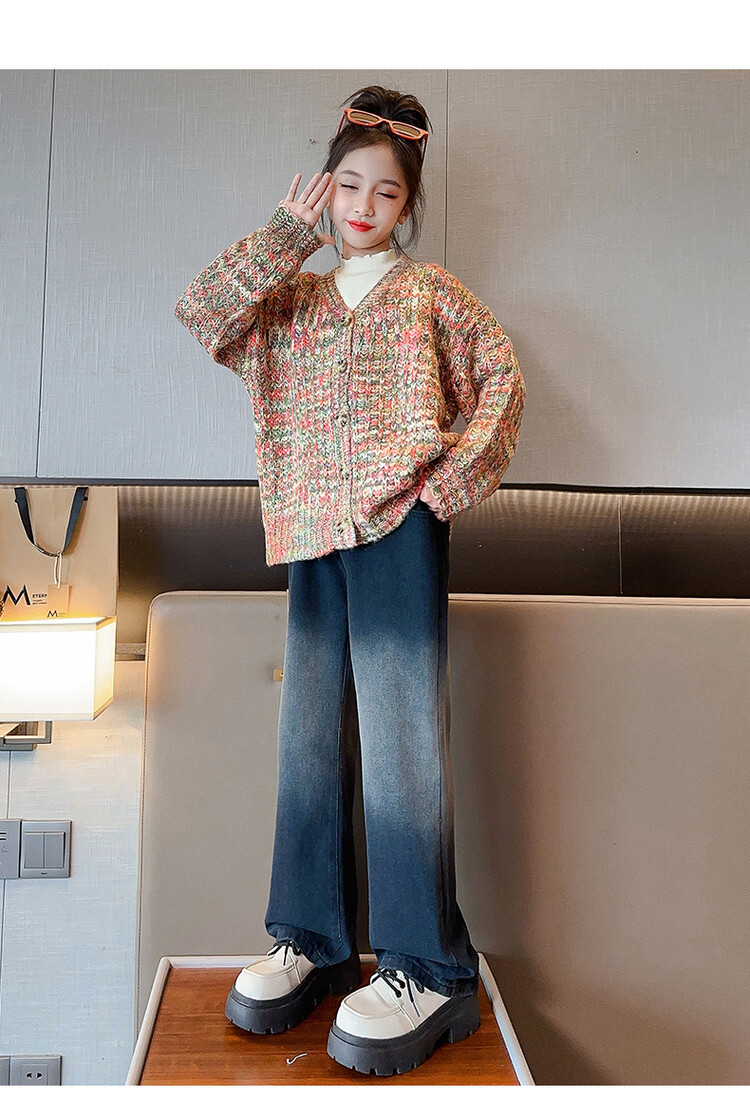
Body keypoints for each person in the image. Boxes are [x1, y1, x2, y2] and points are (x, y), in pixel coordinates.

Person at [174, 84, 525, 1077]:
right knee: (309, 739)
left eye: (387, 190)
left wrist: (445, 489)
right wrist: (283, 237)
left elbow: (503, 382)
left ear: (408, 204)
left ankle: (427, 966)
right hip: (308, 529)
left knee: (403, 747)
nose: (364, 205)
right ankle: (314, 941)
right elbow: (202, 310)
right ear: (324, 189)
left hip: (399, 529)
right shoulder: (289, 300)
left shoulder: (432, 295)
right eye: (348, 184)